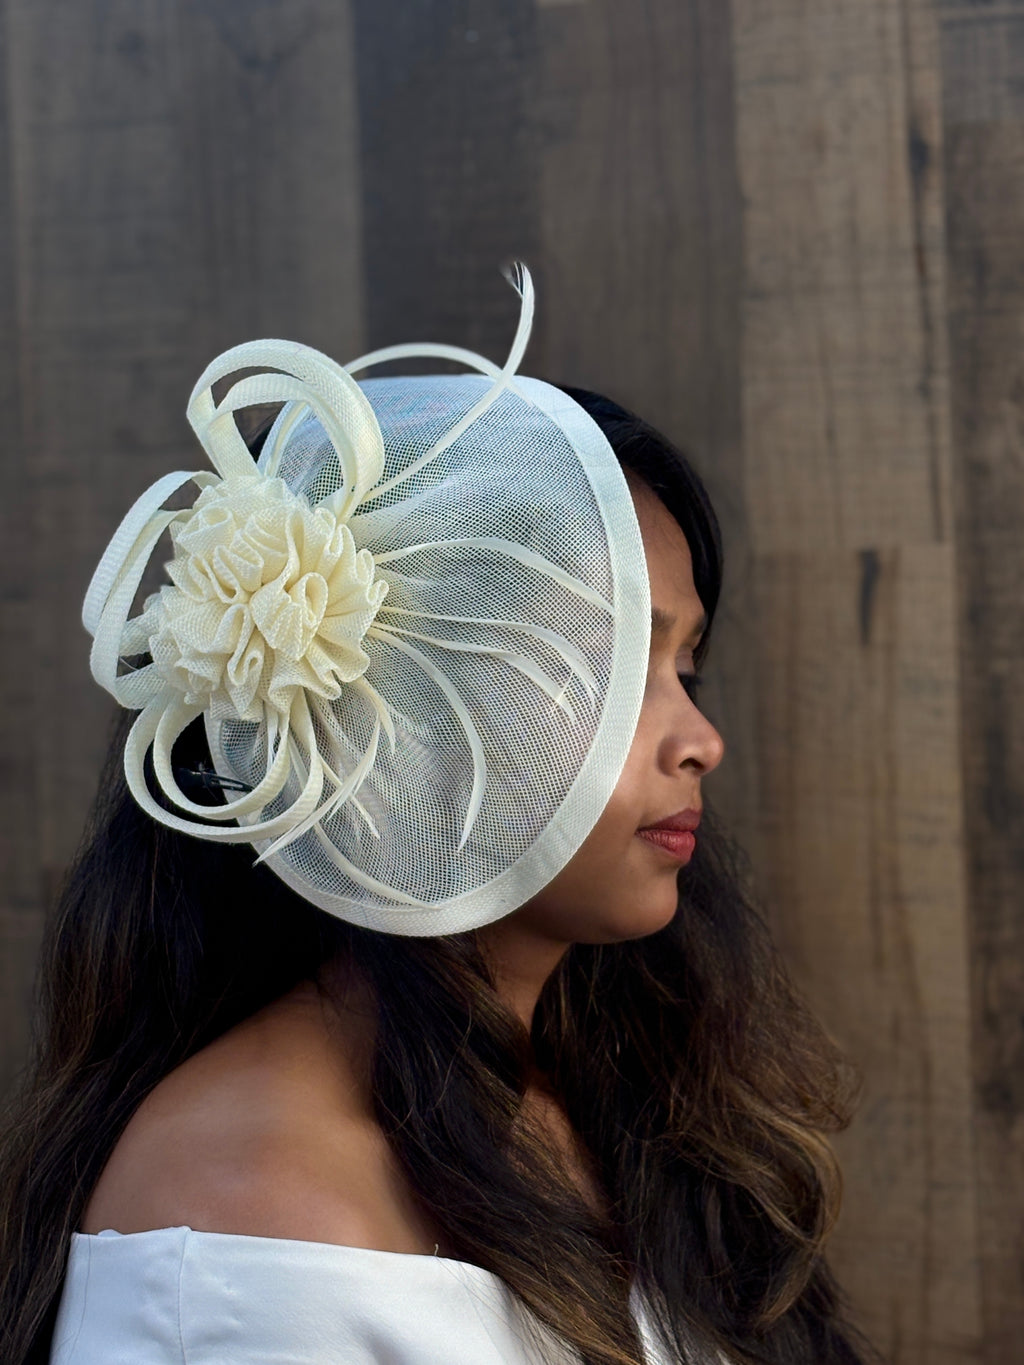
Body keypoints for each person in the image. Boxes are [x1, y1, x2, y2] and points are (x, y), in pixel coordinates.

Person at [0, 267, 870, 1364]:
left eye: (687, 665)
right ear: (405, 712)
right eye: (616, 667)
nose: (701, 739)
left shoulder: (605, 1093)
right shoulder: (250, 1204)